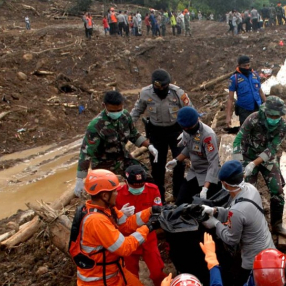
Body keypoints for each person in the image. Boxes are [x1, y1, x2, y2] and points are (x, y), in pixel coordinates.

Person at [201, 161, 276, 286]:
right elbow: (237, 212)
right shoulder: (250, 189)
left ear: (225, 183)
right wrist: (216, 211)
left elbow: (230, 239)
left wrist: (215, 223)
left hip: (253, 260)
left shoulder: (238, 210)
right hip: (268, 248)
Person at [75, 91, 159, 198]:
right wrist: (80, 178)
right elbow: (86, 152)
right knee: (109, 193)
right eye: (112, 111)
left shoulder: (125, 116)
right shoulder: (96, 125)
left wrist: (149, 146)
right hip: (103, 165)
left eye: (119, 110)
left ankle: (149, 205)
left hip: (123, 158)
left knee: (144, 178)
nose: (116, 113)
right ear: (104, 106)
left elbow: (134, 134)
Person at [130, 70, 193, 203]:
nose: (163, 90)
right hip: (156, 133)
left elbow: (190, 111)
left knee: (179, 164)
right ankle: (159, 199)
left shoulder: (178, 93)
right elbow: (135, 113)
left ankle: (178, 197)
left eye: (165, 87)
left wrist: (188, 131)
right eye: (160, 88)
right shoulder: (145, 93)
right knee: (157, 167)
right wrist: (127, 126)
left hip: (176, 132)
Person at [232, 96, 286, 238]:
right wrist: (240, 163)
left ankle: (276, 224)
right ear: (265, 112)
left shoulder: (283, 126)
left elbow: (271, 149)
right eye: (270, 115)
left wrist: (254, 164)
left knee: (277, 190)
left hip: (266, 158)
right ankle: (249, 225)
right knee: (246, 192)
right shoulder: (253, 119)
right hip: (247, 155)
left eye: (276, 116)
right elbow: (238, 141)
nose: (273, 118)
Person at [115, 165, 166, 286]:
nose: (138, 188)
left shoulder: (152, 190)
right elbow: (107, 218)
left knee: (157, 271)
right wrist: (119, 213)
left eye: (141, 185)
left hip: (148, 237)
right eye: (134, 186)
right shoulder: (117, 194)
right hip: (128, 240)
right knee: (130, 275)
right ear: (126, 182)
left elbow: (157, 211)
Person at [166, 107, 221, 205]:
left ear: (197, 121)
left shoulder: (208, 136)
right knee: (181, 202)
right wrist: (176, 160)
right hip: (194, 172)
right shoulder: (187, 131)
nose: (186, 130)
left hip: (208, 174)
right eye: (184, 128)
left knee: (205, 206)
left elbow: (213, 163)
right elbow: (190, 148)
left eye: (189, 128)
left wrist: (205, 188)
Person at [226, 56, 267, 127]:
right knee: (246, 132)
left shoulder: (254, 75)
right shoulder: (234, 78)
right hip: (244, 110)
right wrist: (228, 116)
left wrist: (267, 106)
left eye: (248, 65)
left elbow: (260, 92)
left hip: (257, 107)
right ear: (239, 66)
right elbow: (230, 99)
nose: (247, 67)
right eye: (244, 66)